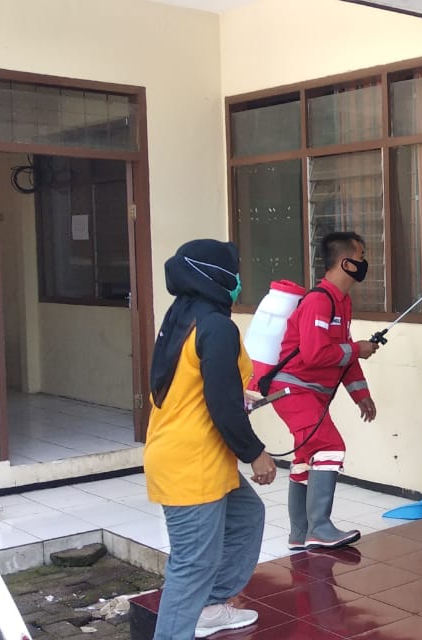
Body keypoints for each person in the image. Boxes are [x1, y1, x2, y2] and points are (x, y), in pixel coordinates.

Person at [144, 239, 278, 640]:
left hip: (192, 454)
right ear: (214, 276)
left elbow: (189, 382)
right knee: (191, 565)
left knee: (246, 516)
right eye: (233, 273)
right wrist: (255, 453)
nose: (238, 281)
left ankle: (211, 607)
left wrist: (239, 395)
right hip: (192, 463)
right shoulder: (216, 325)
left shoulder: (184, 315)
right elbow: (220, 403)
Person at [269, 231, 379, 551]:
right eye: (360, 257)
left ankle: (300, 534)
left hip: (309, 392)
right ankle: (319, 527)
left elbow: (342, 354)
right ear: (345, 262)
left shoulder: (341, 301)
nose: (364, 264)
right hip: (293, 390)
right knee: (330, 446)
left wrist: (362, 395)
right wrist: (357, 348)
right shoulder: (320, 300)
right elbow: (316, 354)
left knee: (306, 457)